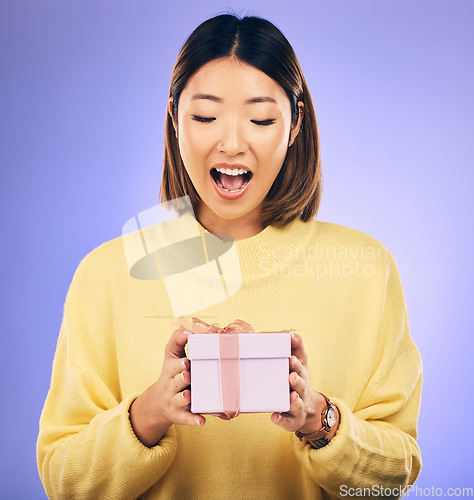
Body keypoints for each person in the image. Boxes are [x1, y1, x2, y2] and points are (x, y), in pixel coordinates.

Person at [37, 13, 422, 499]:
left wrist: (319, 418)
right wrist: (151, 412)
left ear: (296, 123)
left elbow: (397, 478)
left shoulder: (367, 268)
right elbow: (63, 482)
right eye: (204, 116)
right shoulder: (107, 274)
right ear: (174, 119)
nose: (233, 143)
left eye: (261, 119)